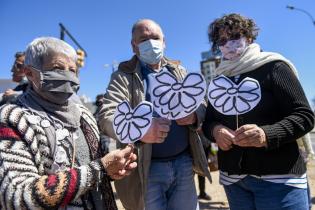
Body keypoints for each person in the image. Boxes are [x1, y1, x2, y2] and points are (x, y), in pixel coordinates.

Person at [0, 37, 137, 210]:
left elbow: (94, 169)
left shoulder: (84, 115)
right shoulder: (13, 119)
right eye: (57, 68)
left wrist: (113, 170)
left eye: (73, 70)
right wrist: (101, 169)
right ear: (30, 73)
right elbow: (17, 197)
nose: (68, 76)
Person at [202, 13, 315, 210]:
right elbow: (209, 121)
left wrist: (266, 134)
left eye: (235, 36)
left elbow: (304, 116)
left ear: (249, 37)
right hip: (234, 182)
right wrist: (216, 131)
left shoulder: (274, 67)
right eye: (222, 40)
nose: (229, 43)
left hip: (280, 180)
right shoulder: (219, 79)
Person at [98, 19, 211, 210]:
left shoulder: (179, 70)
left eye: (155, 38)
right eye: (143, 39)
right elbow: (107, 115)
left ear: (164, 42)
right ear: (134, 46)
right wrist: (140, 130)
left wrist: (194, 116)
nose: (151, 43)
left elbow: (201, 103)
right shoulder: (123, 76)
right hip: (147, 170)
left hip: (183, 163)